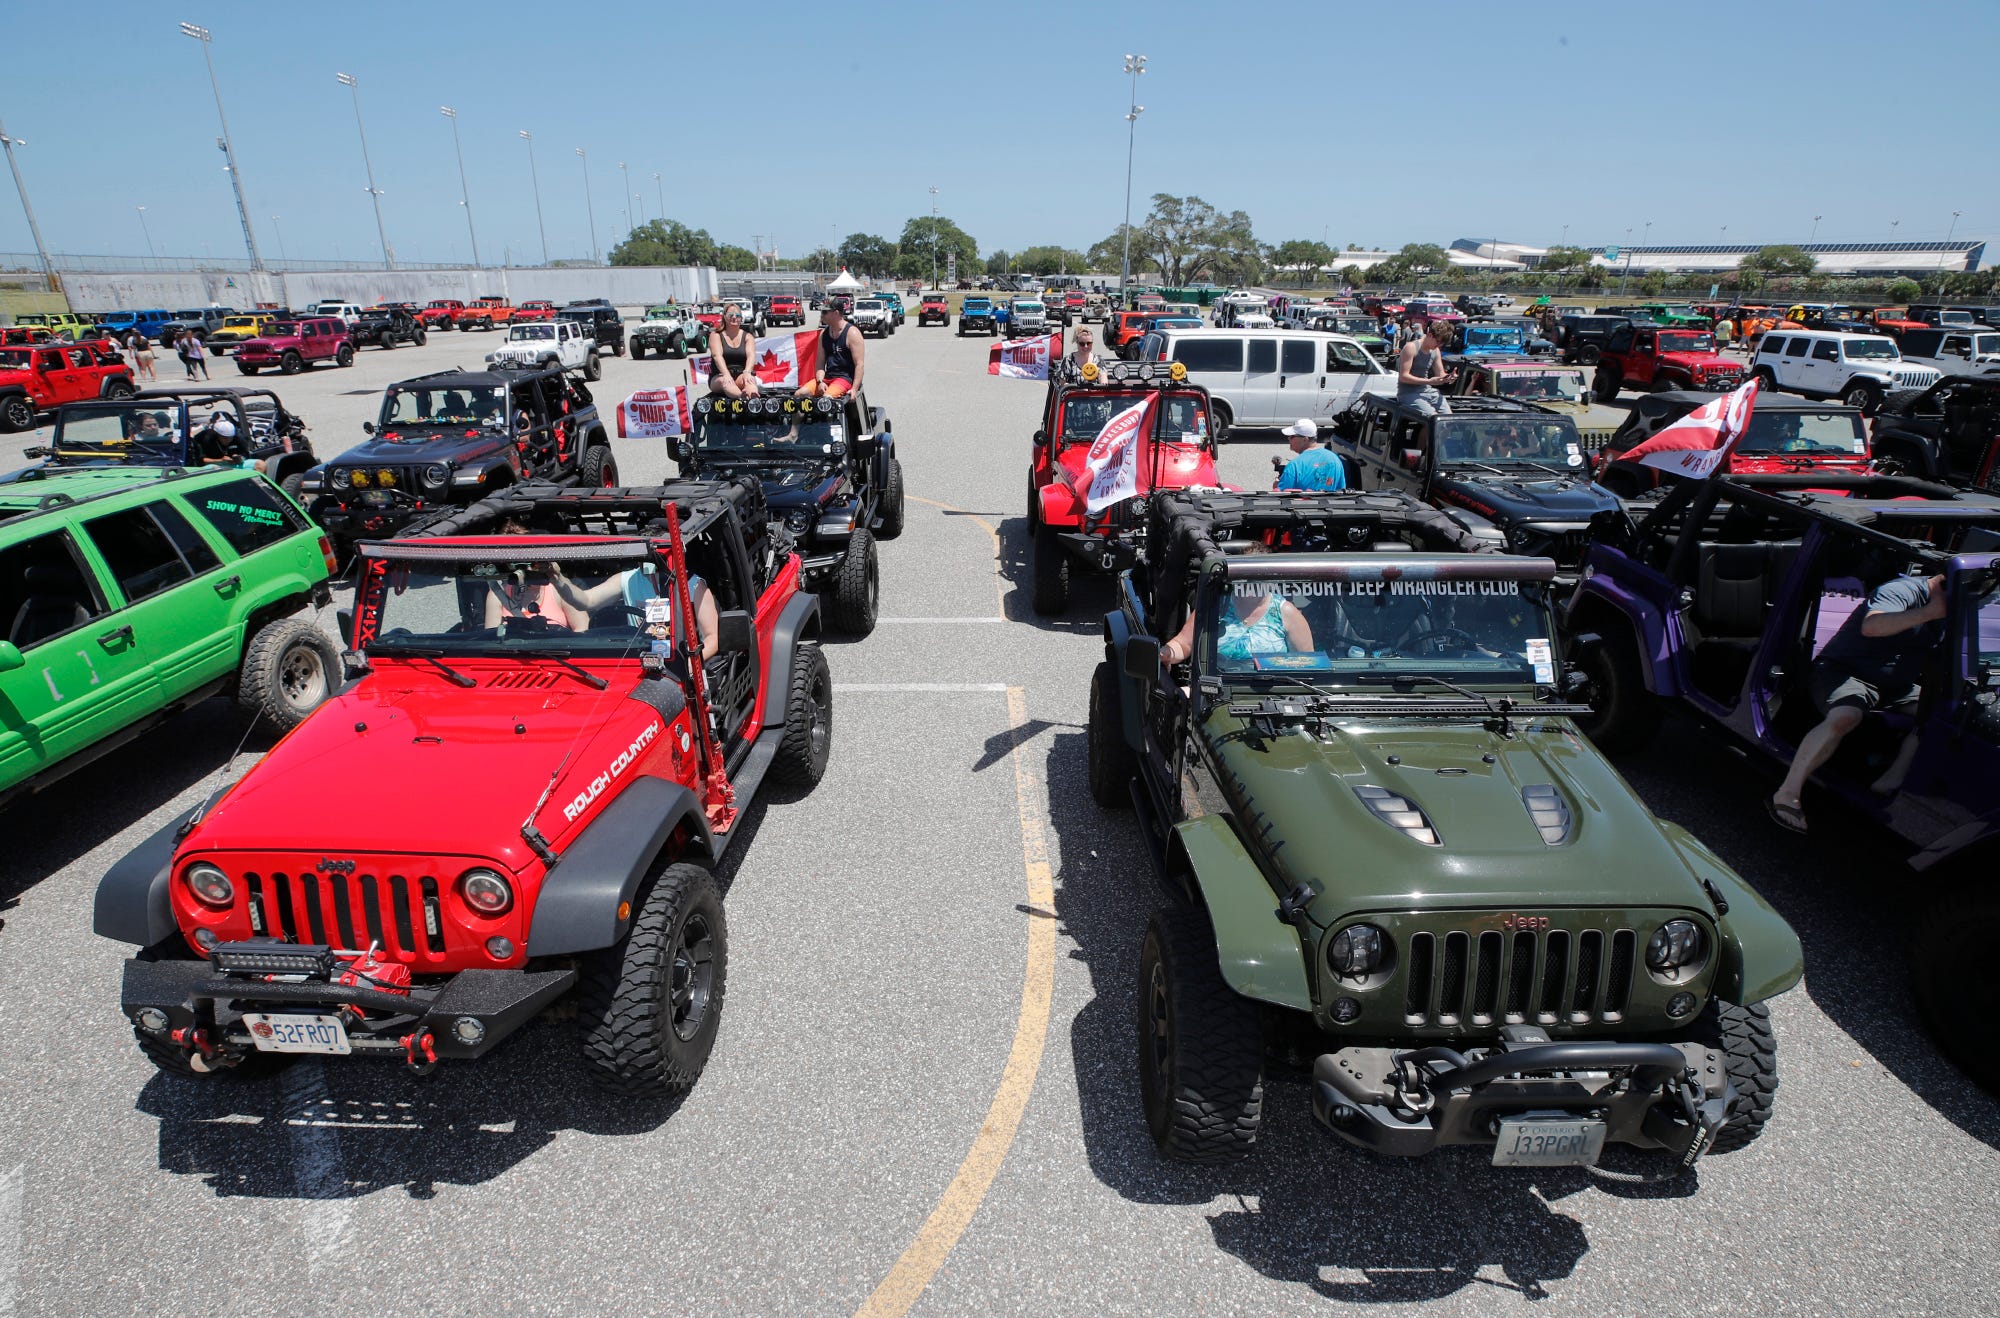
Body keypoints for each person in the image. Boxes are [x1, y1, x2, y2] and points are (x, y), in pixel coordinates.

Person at [1768, 567, 1947, 833]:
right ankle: (1787, 793)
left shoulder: (1962, 607)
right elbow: (1872, 625)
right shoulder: (1901, 591)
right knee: (1846, 716)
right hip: (1842, 673)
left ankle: (1889, 780)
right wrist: (1930, 612)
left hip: (1897, 687)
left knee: (1948, 714)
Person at [1159, 543, 1313, 667]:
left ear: (1270, 579)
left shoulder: (1286, 612)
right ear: (1237, 576)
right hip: (1216, 692)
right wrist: (1167, 653)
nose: (1252, 584)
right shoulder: (1215, 605)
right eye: (1247, 577)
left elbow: (1308, 664)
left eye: (1258, 578)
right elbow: (1183, 644)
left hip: (1274, 695)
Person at [548, 559, 720, 658]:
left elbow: (712, 637)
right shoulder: (628, 579)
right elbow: (586, 601)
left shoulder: (693, 584)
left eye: (655, 558)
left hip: (680, 661)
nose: (649, 565)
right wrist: (558, 580)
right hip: (637, 660)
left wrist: (690, 666)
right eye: (645, 558)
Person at [800, 297, 865, 399]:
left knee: (826, 399)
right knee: (799, 395)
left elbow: (859, 365)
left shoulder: (852, 333)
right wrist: (820, 382)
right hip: (827, 378)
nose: (822, 315)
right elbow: (820, 363)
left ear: (836, 313)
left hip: (844, 379)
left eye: (825, 312)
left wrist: (854, 389)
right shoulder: (823, 334)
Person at [1274, 418, 1347, 491]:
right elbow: (1341, 491)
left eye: (1292, 436)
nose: (1288, 438)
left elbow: (1282, 496)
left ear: (1305, 439)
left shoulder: (1294, 466)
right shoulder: (1335, 459)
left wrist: (1276, 486)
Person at [1396, 321, 1451, 415]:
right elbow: (1403, 376)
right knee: (1433, 418)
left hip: (1428, 391)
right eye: (1437, 341)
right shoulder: (1411, 347)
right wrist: (1429, 381)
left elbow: (1440, 374)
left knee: (1448, 418)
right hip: (1408, 393)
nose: (1439, 345)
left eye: (1441, 343)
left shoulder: (1435, 351)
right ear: (1429, 335)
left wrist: (1448, 377)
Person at [707, 305, 760, 399]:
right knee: (726, 381)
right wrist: (726, 374)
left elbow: (751, 356)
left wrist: (747, 372)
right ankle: (741, 398)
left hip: (740, 374)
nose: (734, 317)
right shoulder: (716, 335)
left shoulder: (748, 337)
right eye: (730, 315)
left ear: (741, 318)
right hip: (720, 376)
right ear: (724, 317)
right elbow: (717, 356)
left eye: (737, 315)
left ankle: (754, 398)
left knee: (750, 381)